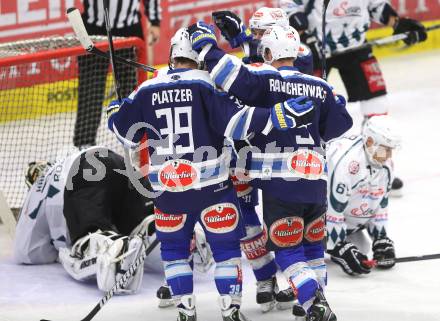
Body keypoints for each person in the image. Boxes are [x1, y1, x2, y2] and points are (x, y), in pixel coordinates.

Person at [107, 27, 313, 321]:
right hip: (212, 188)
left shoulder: (147, 88)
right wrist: (278, 117)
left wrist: (114, 111)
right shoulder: (208, 84)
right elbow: (238, 124)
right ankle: (230, 309)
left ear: (172, 55)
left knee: (175, 251)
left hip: (168, 192)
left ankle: (185, 309)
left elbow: (124, 133)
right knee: (227, 250)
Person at [188, 21, 353, 321]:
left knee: (288, 251)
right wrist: (333, 101)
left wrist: (206, 46)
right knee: (313, 249)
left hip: (282, 184)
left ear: (269, 52)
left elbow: (229, 74)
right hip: (316, 184)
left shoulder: (267, 78)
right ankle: (315, 301)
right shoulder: (320, 86)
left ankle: (314, 301)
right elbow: (340, 125)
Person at [279, 0, 427, 195]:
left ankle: (377, 171)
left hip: (356, 47)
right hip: (314, 50)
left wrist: (397, 23)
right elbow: (289, 7)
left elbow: (376, 5)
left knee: (377, 105)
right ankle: (307, 170)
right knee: (307, 109)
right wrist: (302, 33)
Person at [14, 147, 158, 294]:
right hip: (122, 166)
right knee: (145, 223)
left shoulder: (41, 184)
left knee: (90, 235)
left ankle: (108, 246)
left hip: (89, 169)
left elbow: (26, 251)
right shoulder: (65, 161)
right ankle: (165, 238)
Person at [73, 0, 161, 148]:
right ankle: (84, 143)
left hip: (128, 29)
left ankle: (134, 138)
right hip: (94, 28)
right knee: (91, 91)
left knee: (131, 92)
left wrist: (154, 21)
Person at [326, 115, 400, 275]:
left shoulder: (385, 164)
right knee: (306, 254)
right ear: (370, 142)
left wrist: (380, 237)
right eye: (385, 149)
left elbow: (380, 202)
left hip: (348, 221)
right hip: (317, 219)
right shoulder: (347, 164)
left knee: (363, 248)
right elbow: (333, 208)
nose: (389, 156)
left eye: (391, 150)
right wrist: (338, 246)